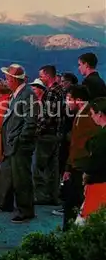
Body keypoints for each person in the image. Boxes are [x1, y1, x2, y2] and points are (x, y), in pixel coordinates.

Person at [0, 63, 37, 223]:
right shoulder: (18, 93)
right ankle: (5, 203)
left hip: (18, 144)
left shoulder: (28, 94)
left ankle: (26, 210)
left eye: (8, 78)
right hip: (11, 143)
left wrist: (20, 140)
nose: (6, 80)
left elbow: (31, 121)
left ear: (14, 79)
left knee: (21, 178)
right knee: (6, 173)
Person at [60, 86, 100, 230]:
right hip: (76, 166)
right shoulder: (80, 114)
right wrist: (68, 167)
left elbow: (87, 145)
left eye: (69, 99)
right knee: (71, 204)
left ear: (78, 100)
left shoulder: (89, 116)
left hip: (82, 168)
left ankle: (71, 234)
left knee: (76, 204)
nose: (67, 103)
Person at [33, 65, 65, 206]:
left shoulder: (51, 92)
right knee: (53, 168)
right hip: (56, 134)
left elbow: (47, 116)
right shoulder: (61, 90)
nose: (40, 79)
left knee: (38, 167)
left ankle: (41, 196)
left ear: (47, 75)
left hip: (46, 135)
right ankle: (54, 196)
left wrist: (36, 131)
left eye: (41, 76)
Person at [75, 97, 106, 224]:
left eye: (92, 113)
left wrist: (86, 175)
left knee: (87, 223)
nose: (91, 116)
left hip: (99, 185)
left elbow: (97, 160)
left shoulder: (102, 137)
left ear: (100, 114)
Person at [53, 72, 79, 217]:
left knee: (67, 171)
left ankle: (68, 204)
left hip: (68, 139)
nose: (61, 84)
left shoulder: (73, 104)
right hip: (66, 137)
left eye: (63, 82)